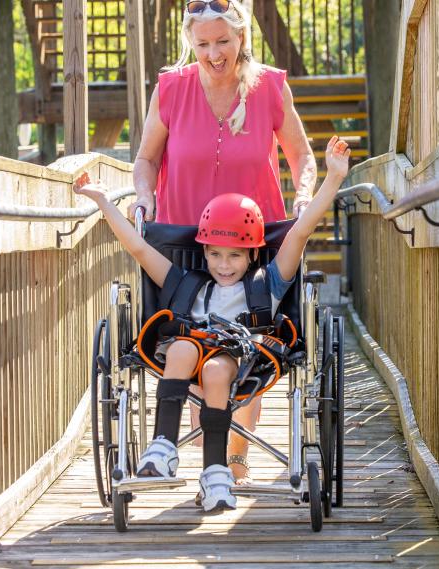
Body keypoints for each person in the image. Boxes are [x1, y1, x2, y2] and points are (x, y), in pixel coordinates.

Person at [74, 136, 350, 511]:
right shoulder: (188, 283)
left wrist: (332, 178)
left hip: (243, 355)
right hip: (190, 354)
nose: (223, 264)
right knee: (185, 346)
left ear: (252, 253)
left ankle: (216, 471)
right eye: (215, 254)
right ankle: (163, 446)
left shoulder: (266, 282)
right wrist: (103, 201)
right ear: (203, 250)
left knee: (218, 370)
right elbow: (138, 248)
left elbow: (300, 231)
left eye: (235, 255)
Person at [127, 0, 318, 484]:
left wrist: (305, 196)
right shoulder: (171, 88)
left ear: (241, 38)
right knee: (195, 338)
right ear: (190, 41)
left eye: (223, 42)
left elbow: (301, 156)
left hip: (252, 243)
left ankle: (234, 457)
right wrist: (143, 199)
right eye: (203, 43)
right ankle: (208, 450)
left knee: (247, 336)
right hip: (187, 241)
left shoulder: (270, 87)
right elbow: (146, 159)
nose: (214, 53)